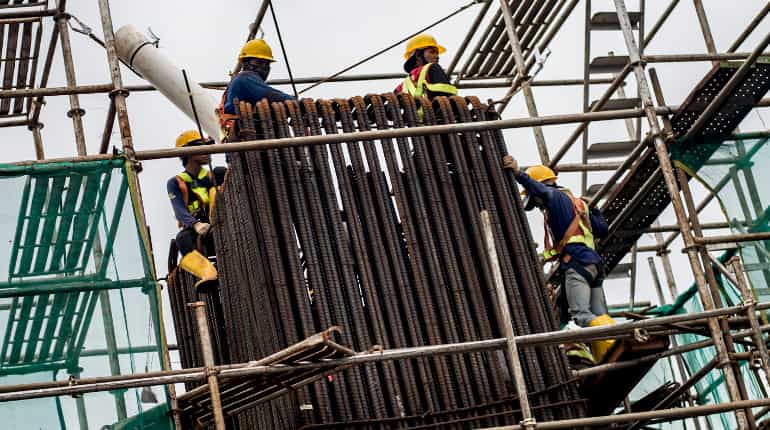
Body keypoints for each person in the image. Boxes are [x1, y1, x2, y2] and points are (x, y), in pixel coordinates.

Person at [502, 154, 616, 362]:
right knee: (598, 315)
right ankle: (610, 353)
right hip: (594, 265)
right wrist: (595, 211)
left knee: (581, 315)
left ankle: (614, 348)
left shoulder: (553, 197)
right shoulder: (579, 204)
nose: (537, 205)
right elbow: (602, 230)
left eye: (534, 201)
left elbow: (543, 192)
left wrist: (519, 174)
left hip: (577, 263)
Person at [168, 130, 224, 292]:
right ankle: (208, 274)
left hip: (220, 218)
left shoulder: (216, 175)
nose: (207, 152)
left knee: (218, 181)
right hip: (198, 225)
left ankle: (217, 217)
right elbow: (179, 209)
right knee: (182, 239)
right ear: (188, 152)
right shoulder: (176, 183)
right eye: (202, 147)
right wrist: (195, 225)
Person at [219, 39, 294, 137]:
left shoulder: (239, 81)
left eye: (267, 63)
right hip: (246, 142)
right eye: (258, 62)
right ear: (245, 63)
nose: (263, 67)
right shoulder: (245, 78)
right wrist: (296, 102)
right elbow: (270, 96)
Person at [395, 34, 457, 99]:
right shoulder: (432, 67)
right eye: (432, 52)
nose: (437, 56)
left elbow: (391, 104)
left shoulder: (402, 86)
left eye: (437, 53)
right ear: (418, 55)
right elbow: (448, 97)